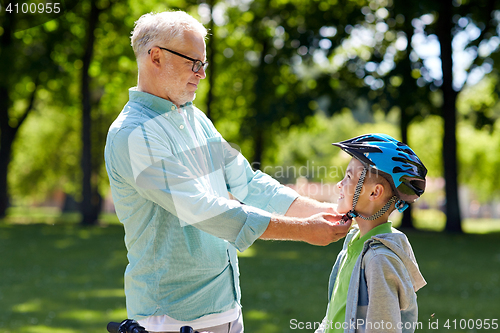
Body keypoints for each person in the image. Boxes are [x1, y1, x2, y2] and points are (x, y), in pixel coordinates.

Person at [104, 10, 352, 333]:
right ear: (155, 57)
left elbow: (249, 182)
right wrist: (304, 230)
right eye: (194, 62)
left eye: (203, 64)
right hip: (170, 319)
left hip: (227, 310)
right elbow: (202, 210)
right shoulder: (133, 135)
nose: (201, 74)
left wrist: (327, 212)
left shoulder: (196, 119)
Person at [315, 134, 428, 333]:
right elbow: (336, 311)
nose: (339, 184)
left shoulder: (379, 260)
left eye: (349, 177)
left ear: (375, 193)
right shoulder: (355, 243)